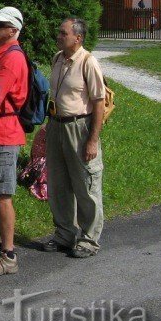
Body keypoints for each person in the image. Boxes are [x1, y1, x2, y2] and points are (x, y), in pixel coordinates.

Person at [41, 17, 106, 259]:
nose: (58, 36)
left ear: (77, 38)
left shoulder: (88, 62)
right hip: (57, 125)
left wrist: (92, 139)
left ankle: (89, 239)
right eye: (59, 32)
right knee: (58, 182)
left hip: (79, 127)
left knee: (85, 184)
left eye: (63, 33)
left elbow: (99, 102)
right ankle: (64, 233)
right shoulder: (58, 59)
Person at [0, 6, 29, 277]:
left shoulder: (11, 58)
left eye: (0, 24)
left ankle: (8, 254)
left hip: (3, 132)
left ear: (13, 31)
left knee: (1, 195)